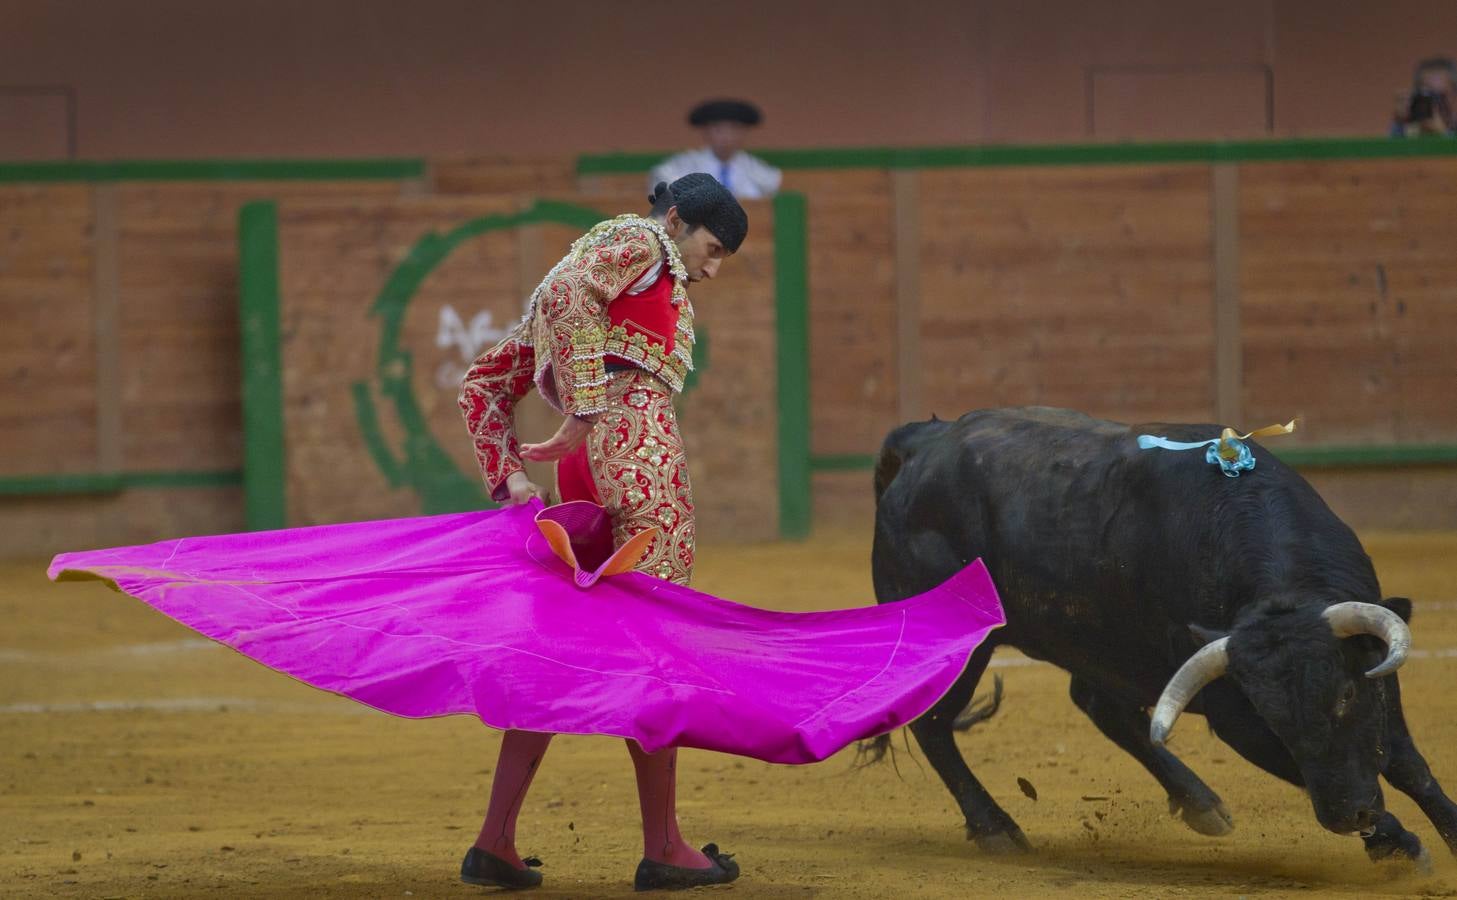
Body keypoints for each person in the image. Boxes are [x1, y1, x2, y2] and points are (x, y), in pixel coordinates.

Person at [457, 172, 747, 890]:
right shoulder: (639, 240)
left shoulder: (605, 258)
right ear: (677, 219)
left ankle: (494, 842)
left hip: (586, 471)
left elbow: (482, 384)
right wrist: (586, 409)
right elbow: (566, 298)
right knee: (657, 642)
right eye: (711, 250)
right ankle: (665, 846)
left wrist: (510, 478)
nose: (709, 271)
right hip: (637, 455)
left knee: (560, 646)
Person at [650, 100, 782, 199]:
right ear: (705, 132)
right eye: (718, 129)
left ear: (744, 132)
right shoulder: (677, 168)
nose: (726, 136)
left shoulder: (761, 172)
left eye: (734, 129)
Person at [1390, 56, 1456, 138]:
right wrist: (1399, 122)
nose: (1434, 102)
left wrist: (1443, 134)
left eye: (1440, 96)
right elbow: (1394, 149)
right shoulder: (1411, 129)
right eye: (1428, 95)